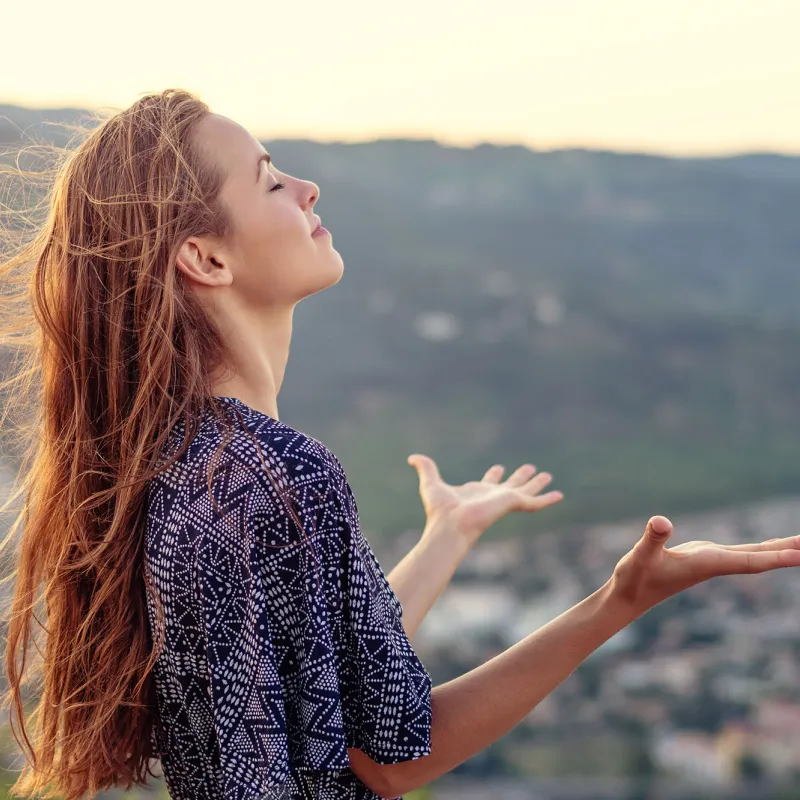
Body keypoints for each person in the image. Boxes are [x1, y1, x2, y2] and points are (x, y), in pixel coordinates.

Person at [0, 88, 797, 800]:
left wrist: (444, 537)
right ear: (205, 258)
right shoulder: (279, 475)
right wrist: (622, 598)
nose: (309, 187)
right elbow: (390, 758)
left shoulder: (186, 470)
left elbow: (328, 687)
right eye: (271, 178)